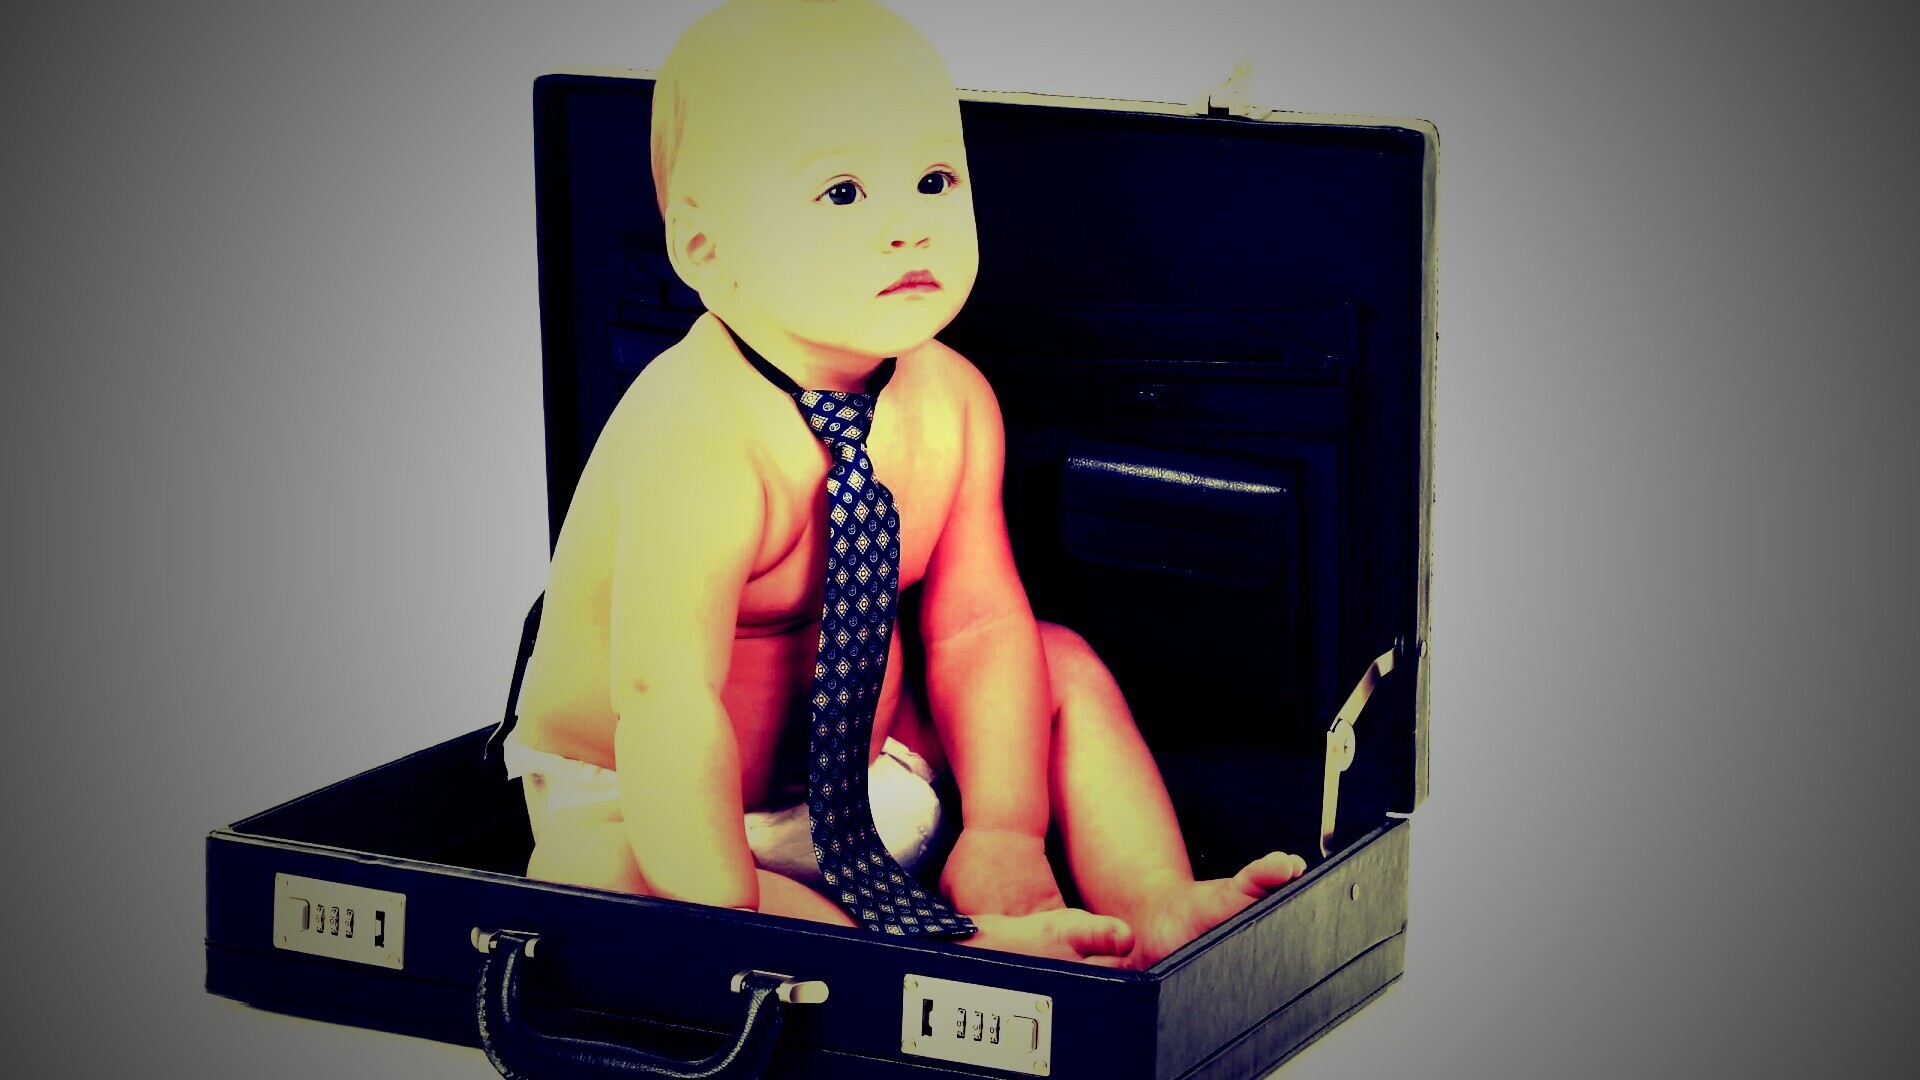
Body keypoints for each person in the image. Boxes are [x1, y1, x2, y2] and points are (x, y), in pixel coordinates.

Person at [507, 0, 1304, 968]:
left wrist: (1004, 828)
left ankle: (1155, 904)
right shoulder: (694, 434)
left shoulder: (952, 402)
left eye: (933, 181)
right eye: (842, 192)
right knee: (601, 875)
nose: (907, 228)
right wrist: (718, 912)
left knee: (1056, 664)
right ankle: (930, 954)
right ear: (705, 251)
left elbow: (976, 629)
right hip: (662, 803)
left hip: (868, 778)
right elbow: (664, 698)